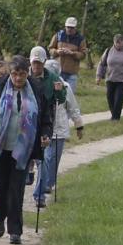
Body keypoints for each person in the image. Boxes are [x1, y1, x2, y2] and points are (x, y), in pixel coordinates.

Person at [0, 55, 53, 245]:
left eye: (21, 74)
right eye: (14, 74)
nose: (18, 78)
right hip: (0, 147)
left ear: (27, 73)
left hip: (24, 148)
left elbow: (46, 118)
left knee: (16, 189)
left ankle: (15, 230)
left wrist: (45, 134)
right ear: (10, 73)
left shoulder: (37, 89)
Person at [33, 61, 83, 208]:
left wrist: (79, 125)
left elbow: (73, 107)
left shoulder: (65, 87)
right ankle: (41, 189)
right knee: (45, 159)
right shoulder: (39, 85)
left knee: (54, 159)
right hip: (44, 129)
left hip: (59, 129)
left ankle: (49, 182)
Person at [96, 34, 123, 120]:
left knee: (118, 98)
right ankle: (114, 114)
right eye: (117, 43)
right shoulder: (108, 51)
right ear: (114, 42)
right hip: (110, 78)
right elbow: (102, 64)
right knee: (110, 97)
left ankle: (115, 118)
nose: (118, 45)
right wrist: (98, 76)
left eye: (120, 43)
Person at [48, 16, 88, 93]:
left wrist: (73, 53)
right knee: (56, 95)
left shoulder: (80, 39)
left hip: (72, 73)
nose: (69, 29)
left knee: (69, 96)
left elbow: (83, 54)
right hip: (57, 72)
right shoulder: (58, 35)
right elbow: (50, 48)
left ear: (75, 28)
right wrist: (57, 51)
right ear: (65, 26)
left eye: (72, 27)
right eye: (68, 27)